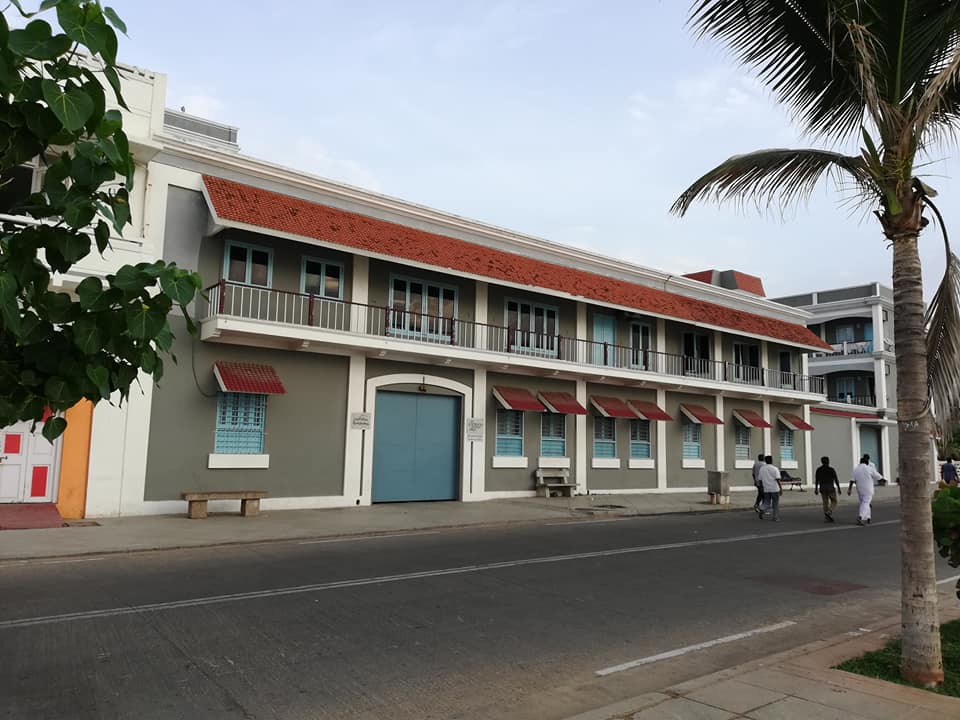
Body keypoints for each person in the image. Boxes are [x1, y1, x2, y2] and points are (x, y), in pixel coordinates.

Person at [848, 455, 883, 525]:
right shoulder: (869, 468)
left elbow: (852, 480)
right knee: (866, 503)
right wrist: (883, 480)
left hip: (860, 489)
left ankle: (867, 517)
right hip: (868, 489)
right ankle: (860, 517)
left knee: (864, 503)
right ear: (867, 462)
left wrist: (849, 489)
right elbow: (878, 476)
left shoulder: (856, 469)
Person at [814, 456, 841, 522]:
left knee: (825, 503)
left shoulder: (818, 469)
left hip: (822, 487)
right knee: (834, 501)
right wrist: (839, 488)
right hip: (830, 487)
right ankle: (829, 512)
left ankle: (827, 517)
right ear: (828, 461)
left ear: (821, 462)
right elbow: (836, 479)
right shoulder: (831, 469)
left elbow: (817, 480)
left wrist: (816, 489)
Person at [757, 455, 783, 521]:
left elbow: (760, 480)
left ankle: (761, 508)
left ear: (765, 461)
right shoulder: (775, 468)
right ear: (772, 460)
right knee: (775, 504)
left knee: (766, 502)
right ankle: (775, 517)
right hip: (774, 489)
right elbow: (778, 479)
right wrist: (781, 488)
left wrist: (762, 488)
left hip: (766, 489)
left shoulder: (762, 469)